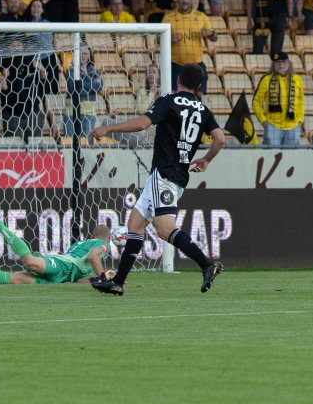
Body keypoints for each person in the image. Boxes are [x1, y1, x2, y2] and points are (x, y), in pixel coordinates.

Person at [90, 63, 226, 296]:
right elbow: (220, 139)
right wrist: (206, 160)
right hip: (178, 175)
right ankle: (118, 282)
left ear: (179, 79)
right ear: (198, 85)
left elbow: (143, 123)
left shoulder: (168, 100)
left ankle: (207, 264)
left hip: (164, 173)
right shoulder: (203, 110)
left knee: (164, 229)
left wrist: (109, 129)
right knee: (135, 224)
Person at [0, 216, 111, 285]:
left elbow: (77, 279)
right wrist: (104, 279)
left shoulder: (83, 243)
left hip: (63, 278)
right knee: (29, 262)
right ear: (108, 239)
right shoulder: (103, 244)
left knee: (17, 279)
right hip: (63, 266)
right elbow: (93, 257)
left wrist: (99, 279)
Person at [163, 0, 214, 92]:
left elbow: (215, 38)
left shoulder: (201, 16)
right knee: (175, 95)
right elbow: (158, 40)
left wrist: (211, 33)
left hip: (197, 64)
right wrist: (168, 38)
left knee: (198, 95)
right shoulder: (168, 17)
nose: (185, 1)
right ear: (178, 0)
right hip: (176, 65)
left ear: (191, 0)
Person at [251, 52, 304, 147]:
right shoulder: (266, 80)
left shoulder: (297, 79)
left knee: (291, 156)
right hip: (273, 127)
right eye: (277, 62)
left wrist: (300, 120)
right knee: (272, 155)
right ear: (273, 65)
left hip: (293, 127)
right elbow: (256, 102)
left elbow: (301, 102)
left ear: (288, 64)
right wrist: (264, 121)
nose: (280, 65)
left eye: (283, 62)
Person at [64, 45, 102, 138]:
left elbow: (98, 87)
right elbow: (72, 89)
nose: (82, 56)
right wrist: (91, 85)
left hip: (89, 112)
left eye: (85, 53)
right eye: (80, 53)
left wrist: (80, 84)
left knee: (86, 142)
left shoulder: (94, 71)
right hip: (71, 112)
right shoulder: (71, 70)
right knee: (70, 142)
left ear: (89, 55)